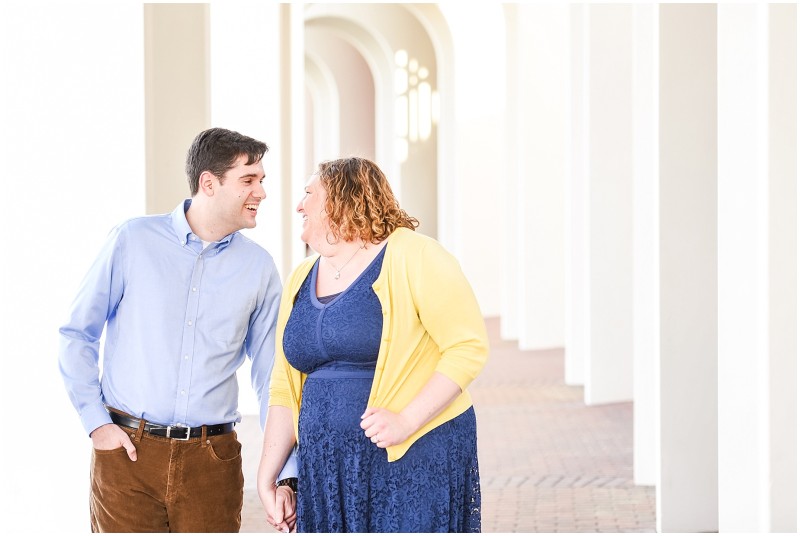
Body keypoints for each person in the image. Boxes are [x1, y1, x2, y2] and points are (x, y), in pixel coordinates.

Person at [58, 127, 297, 533]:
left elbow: (273, 376)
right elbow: (77, 334)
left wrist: (285, 469)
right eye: (249, 180)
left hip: (213, 461)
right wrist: (97, 424)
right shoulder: (132, 240)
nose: (261, 192)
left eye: (262, 180)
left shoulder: (259, 268)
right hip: (128, 456)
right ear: (209, 183)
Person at [256, 156, 488, 532]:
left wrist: (406, 421)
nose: (299, 205)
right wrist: (271, 475)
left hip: (411, 457)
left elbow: (467, 347)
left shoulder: (416, 255)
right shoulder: (301, 276)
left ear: (342, 198)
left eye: (309, 194)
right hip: (327, 471)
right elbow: (285, 383)